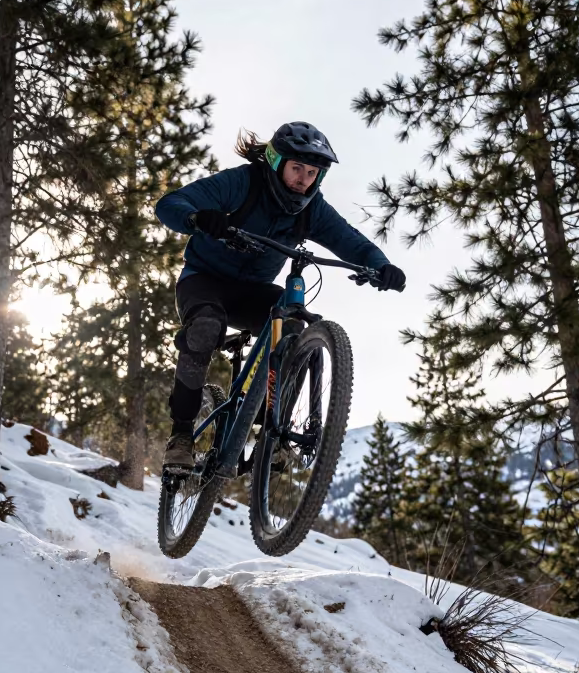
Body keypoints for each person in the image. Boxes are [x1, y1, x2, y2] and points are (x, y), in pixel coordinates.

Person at [155, 121, 406, 469]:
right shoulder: (243, 183)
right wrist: (197, 218)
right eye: (297, 168)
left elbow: (350, 240)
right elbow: (170, 203)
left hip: (253, 291)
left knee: (291, 329)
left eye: (312, 172)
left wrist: (380, 265)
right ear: (276, 162)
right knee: (205, 327)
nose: (304, 179)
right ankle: (181, 435)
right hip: (204, 279)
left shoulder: (312, 208)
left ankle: (270, 434)